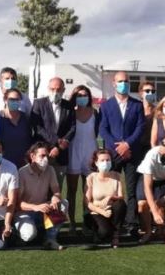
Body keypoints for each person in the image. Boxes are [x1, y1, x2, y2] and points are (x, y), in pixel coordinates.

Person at [99, 71, 146, 236]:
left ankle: (131, 223)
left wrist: (127, 144)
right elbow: (103, 129)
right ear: (114, 83)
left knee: (131, 190)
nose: (123, 84)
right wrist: (117, 147)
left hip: (132, 153)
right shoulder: (106, 106)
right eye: (120, 81)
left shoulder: (137, 105)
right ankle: (112, 221)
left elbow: (140, 127)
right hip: (113, 154)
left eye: (126, 81)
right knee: (111, 189)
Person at [14, 142, 68, 250]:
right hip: (25, 212)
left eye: (47, 156)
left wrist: (55, 197)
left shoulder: (50, 170)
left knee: (63, 204)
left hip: (43, 210)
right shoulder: (22, 172)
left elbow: (56, 191)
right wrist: (35, 207)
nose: (46, 159)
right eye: (42, 156)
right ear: (32, 156)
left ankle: (50, 238)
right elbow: (17, 203)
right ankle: (16, 233)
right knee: (29, 235)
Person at [30, 77, 77, 189]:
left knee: (56, 188)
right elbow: (38, 128)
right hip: (42, 152)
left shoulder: (69, 106)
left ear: (63, 90)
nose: (55, 92)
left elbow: (72, 128)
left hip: (61, 155)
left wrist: (59, 147)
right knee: (39, 188)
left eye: (58, 89)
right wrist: (56, 142)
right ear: (48, 89)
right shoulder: (39, 104)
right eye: (52, 89)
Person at [66, 85, 100, 235]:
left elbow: (97, 132)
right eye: (79, 95)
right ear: (74, 97)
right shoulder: (70, 113)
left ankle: (87, 223)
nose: (82, 98)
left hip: (90, 154)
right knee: (71, 191)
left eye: (85, 95)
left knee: (88, 191)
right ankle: (72, 222)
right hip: (73, 153)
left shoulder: (95, 113)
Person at [84, 149, 127, 248]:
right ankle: (97, 232)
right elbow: (87, 203)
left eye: (108, 160)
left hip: (112, 210)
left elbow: (121, 196)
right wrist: (102, 212)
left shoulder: (117, 176)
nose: (106, 163)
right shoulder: (91, 178)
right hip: (97, 212)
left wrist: (110, 197)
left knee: (120, 204)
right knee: (104, 233)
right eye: (102, 160)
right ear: (96, 163)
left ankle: (116, 236)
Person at [0, 88, 34, 169]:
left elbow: (30, 138)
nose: (14, 101)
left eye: (17, 99)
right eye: (11, 99)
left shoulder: (25, 118)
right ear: (5, 100)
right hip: (4, 163)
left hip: (23, 163)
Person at [139, 81, 157, 160]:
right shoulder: (136, 109)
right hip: (137, 147)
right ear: (141, 93)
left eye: (153, 91)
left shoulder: (158, 111)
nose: (150, 93)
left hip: (152, 146)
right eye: (147, 91)